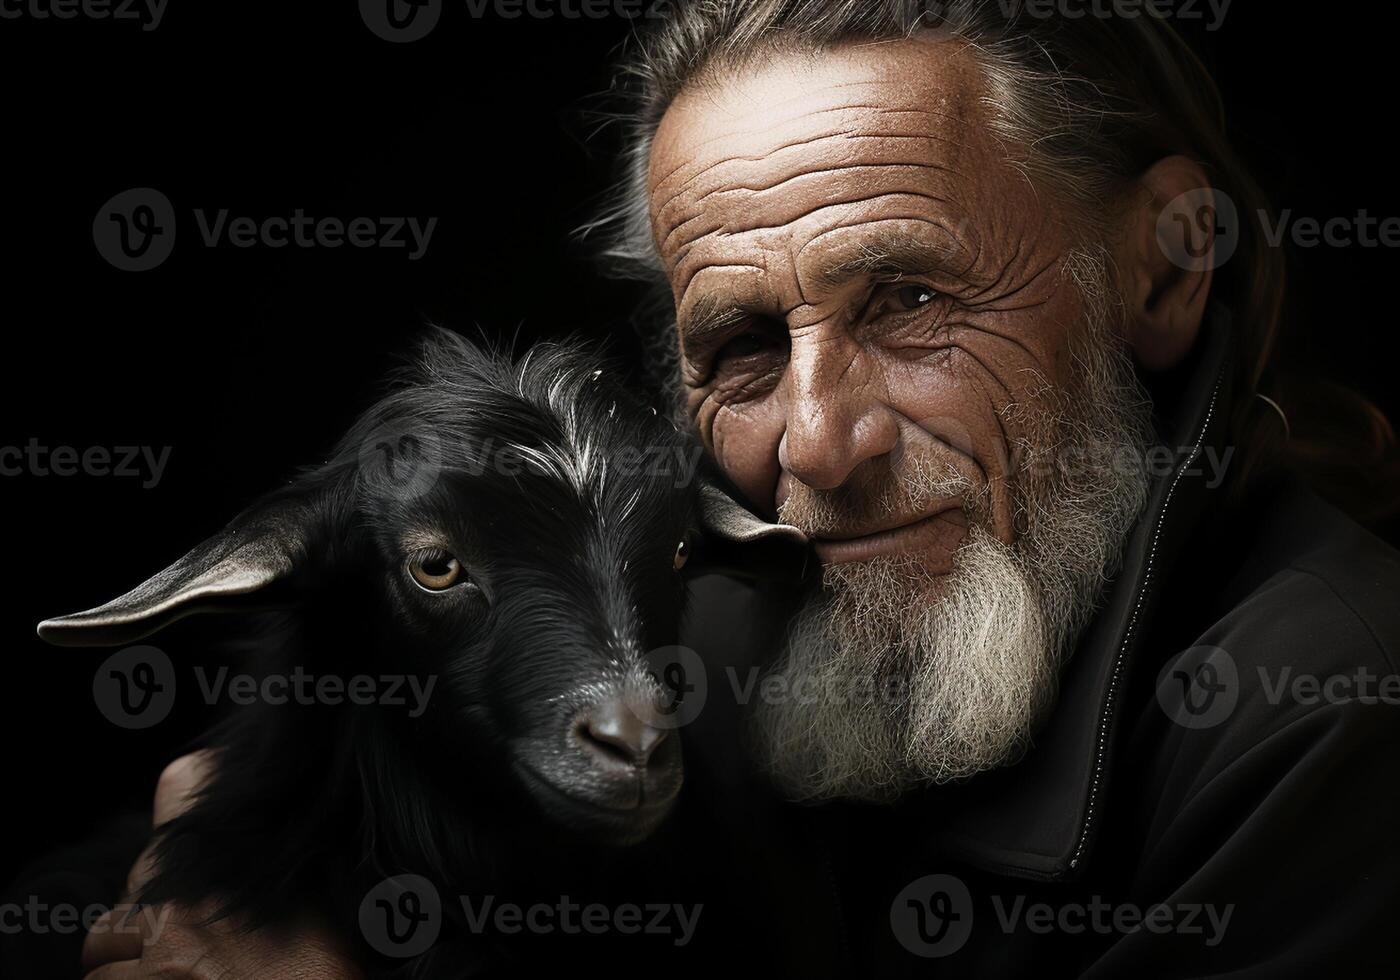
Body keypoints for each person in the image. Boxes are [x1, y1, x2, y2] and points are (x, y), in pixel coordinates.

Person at [82, 3, 1400, 975]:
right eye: (744, 348)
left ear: (1165, 273)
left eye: (912, 300)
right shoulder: (714, 622)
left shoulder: (1328, 714)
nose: (816, 448)